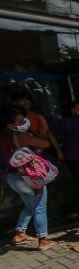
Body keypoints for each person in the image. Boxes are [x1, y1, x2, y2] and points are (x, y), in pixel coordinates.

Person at [0, 107, 55, 251]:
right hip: (29, 177)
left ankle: (19, 233)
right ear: (9, 124)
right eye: (20, 121)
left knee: (30, 206)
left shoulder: (2, 138)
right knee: (39, 208)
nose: (25, 122)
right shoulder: (22, 137)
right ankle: (43, 240)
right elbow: (46, 144)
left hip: (12, 177)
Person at [52, 100, 79, 219]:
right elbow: (50, 133)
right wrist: (58, 150)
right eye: (78, 109)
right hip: (74, 159)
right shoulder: (67, 122)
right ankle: (75, 209)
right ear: (73, 110)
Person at [11, 90, 63, 159]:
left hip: (40, 152)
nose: (26, 102)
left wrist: (58, 150)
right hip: (21, 156)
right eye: (22, 100)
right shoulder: (10, 118)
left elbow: (48, 134)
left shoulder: (38, 116)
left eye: (27, 100)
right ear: (14, 102)